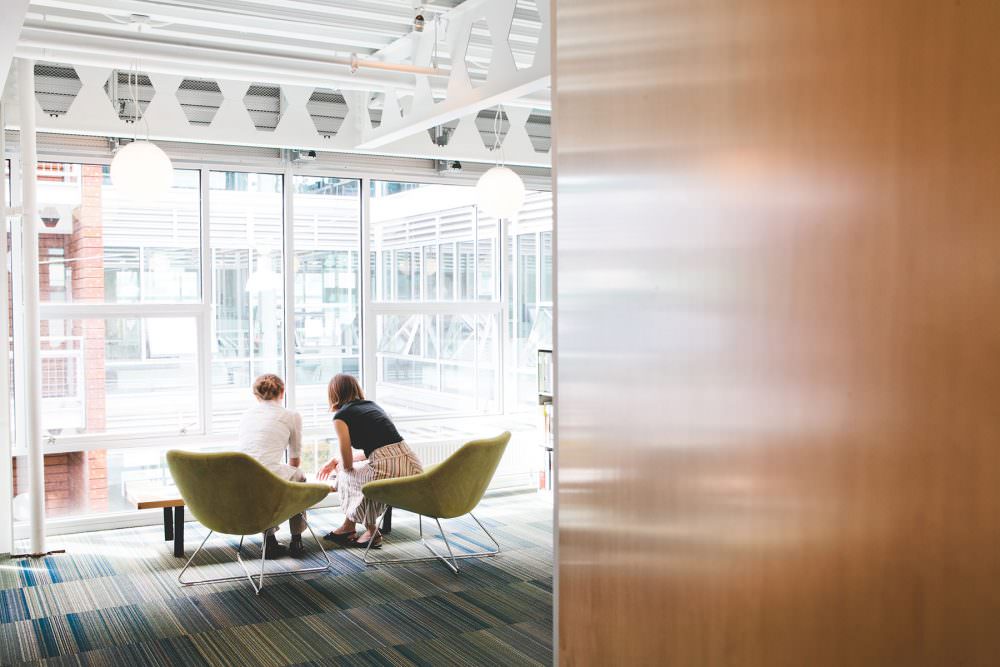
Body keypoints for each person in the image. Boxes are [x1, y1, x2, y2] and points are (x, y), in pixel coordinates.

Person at [317, 374, 423, 548]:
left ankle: (372, 530)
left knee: (346, 476)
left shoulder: (341, 417)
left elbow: (348, 462)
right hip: (411, 464)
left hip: (386, 466)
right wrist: (335, 460)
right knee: (359, 475)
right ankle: (348, 526)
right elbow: (377, 449)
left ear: (334, 394)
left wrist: (337, 465)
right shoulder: (372, 406)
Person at [237, 373, 307, 558]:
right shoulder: (291, 416)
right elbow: (295, 460)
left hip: (242, 478)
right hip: (269, 476)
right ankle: (297, 539)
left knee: (262, 483)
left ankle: (269, 541)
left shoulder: (246, 416)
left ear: (256, 395)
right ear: (282, 392)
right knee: (298, 478)